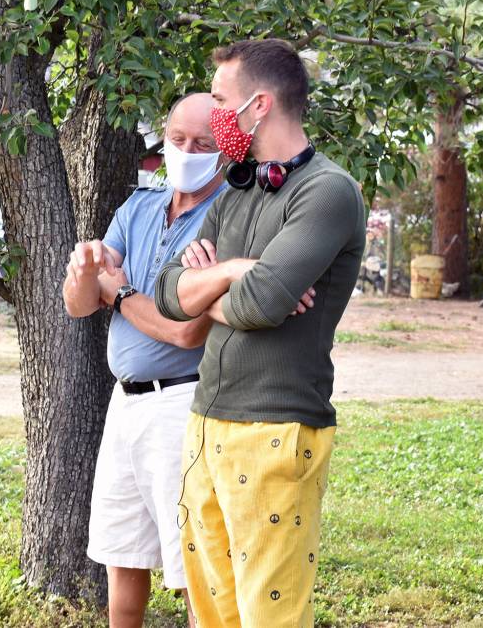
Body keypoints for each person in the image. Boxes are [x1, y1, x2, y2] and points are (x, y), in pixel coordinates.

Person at [154, 39, 366, 627]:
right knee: (211, 610)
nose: (213, 111)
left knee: (266, 615)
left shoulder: (327, 192)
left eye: (221, 99)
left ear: (260, 104)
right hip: (205, 421)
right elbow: (169, 292)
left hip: (276, 428)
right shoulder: (238, 187)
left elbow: (263, 302)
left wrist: (222, 288)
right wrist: (233, 272)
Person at [63, 93, 227, 628]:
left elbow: (185, 332)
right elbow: (78, 303)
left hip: (182, 404)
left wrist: (117, 290)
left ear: (225, 148)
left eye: (202, 143)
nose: (187, 151)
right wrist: (88, 271)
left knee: (192, 567)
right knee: (123, 554)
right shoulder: (138, 206)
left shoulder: (227, 218)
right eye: (178, 139)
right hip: (125, 403)